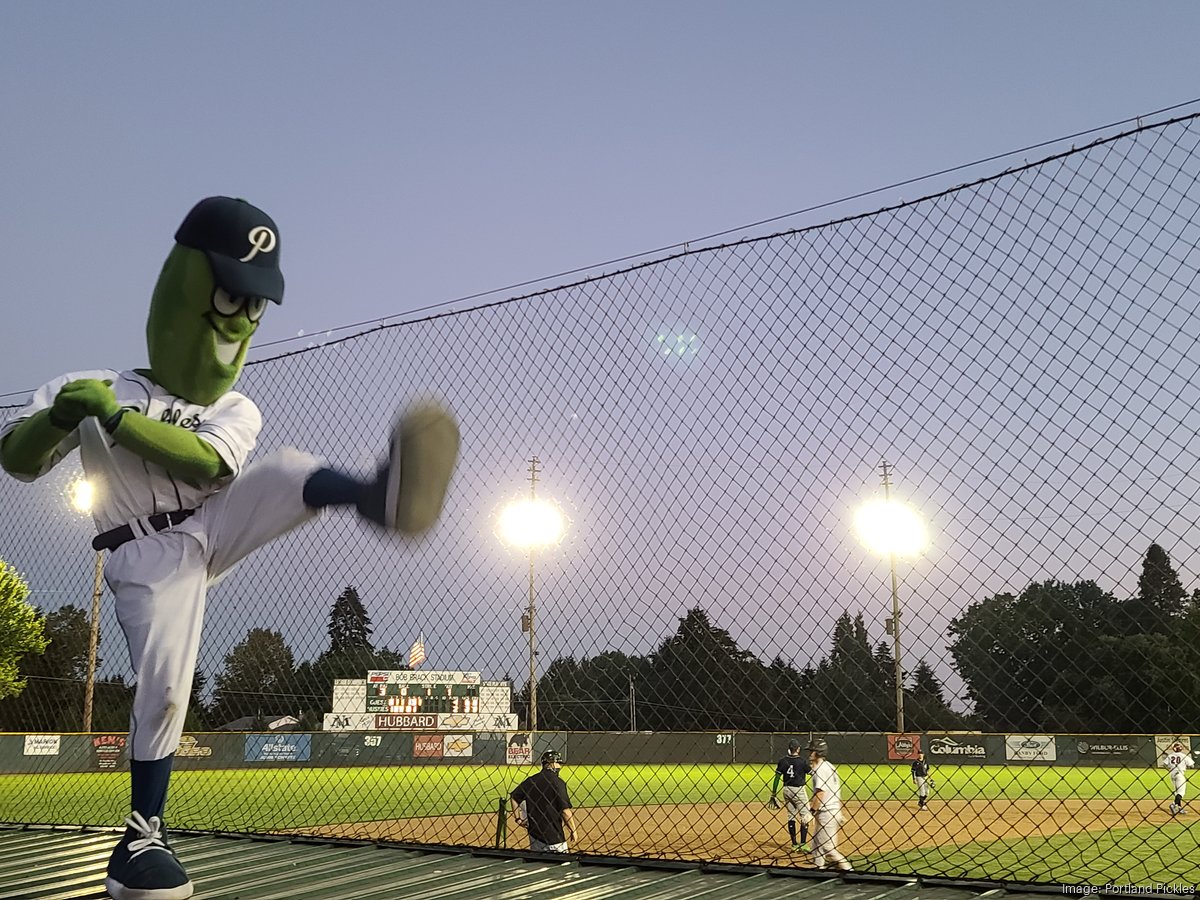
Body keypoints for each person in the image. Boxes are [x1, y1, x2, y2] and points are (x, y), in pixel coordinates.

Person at [0, 197, 459, 900]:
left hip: (212, 521)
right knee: (165, 684)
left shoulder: (232, 407)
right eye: (229, 294)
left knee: (282, 470)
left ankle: (381, 495)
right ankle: (142, 836)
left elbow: (210, 469)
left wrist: (115, 420)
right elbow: (20, 460)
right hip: (144, 553)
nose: (240, 318)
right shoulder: (84, 386)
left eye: (254, 306)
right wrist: (67, 414)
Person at [510, 749, 577, 852]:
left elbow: (514, 797)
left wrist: (518, 819)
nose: (560, 766)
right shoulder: (558, 783)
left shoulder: (531, 780)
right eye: (558, 763)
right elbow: (565, 811)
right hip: (555, 838)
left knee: (538, 863)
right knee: (562, 865)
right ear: (551, 763)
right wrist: (573, 830)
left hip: (535, 837)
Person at [807, 738, 852, 872]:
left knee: (828, 848)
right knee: (816, 846)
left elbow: (820, 793)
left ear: (817, 752)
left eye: (811, 751)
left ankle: (849, 870)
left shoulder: (820, 769)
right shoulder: (829, 766)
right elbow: (835, 790)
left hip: (827, 813)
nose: (809, 753)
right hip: (832, 811)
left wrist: (811, 813)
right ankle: (818, 869)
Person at [768, 738, 812, 851]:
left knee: (791, 816)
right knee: (805, 815)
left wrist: (773, 793)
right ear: (798, 749)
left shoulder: (783, 761)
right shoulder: (802, 761)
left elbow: (777, 778)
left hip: (786, 790)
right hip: (799, 791)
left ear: (789, 749)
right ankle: (803, 844)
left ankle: (794, 845)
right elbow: (812, 773)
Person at [1161, 740, 1195, 815]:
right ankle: (1173, 804)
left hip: (1172, 774)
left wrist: (1169, 769)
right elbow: (1192, 766)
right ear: (1181, 748)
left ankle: (1179, 808)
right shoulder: (1184, 756)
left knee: (1177, 792)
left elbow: (1164, 765)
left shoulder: (1170, 756)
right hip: (1180, 774)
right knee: (1181, 792)